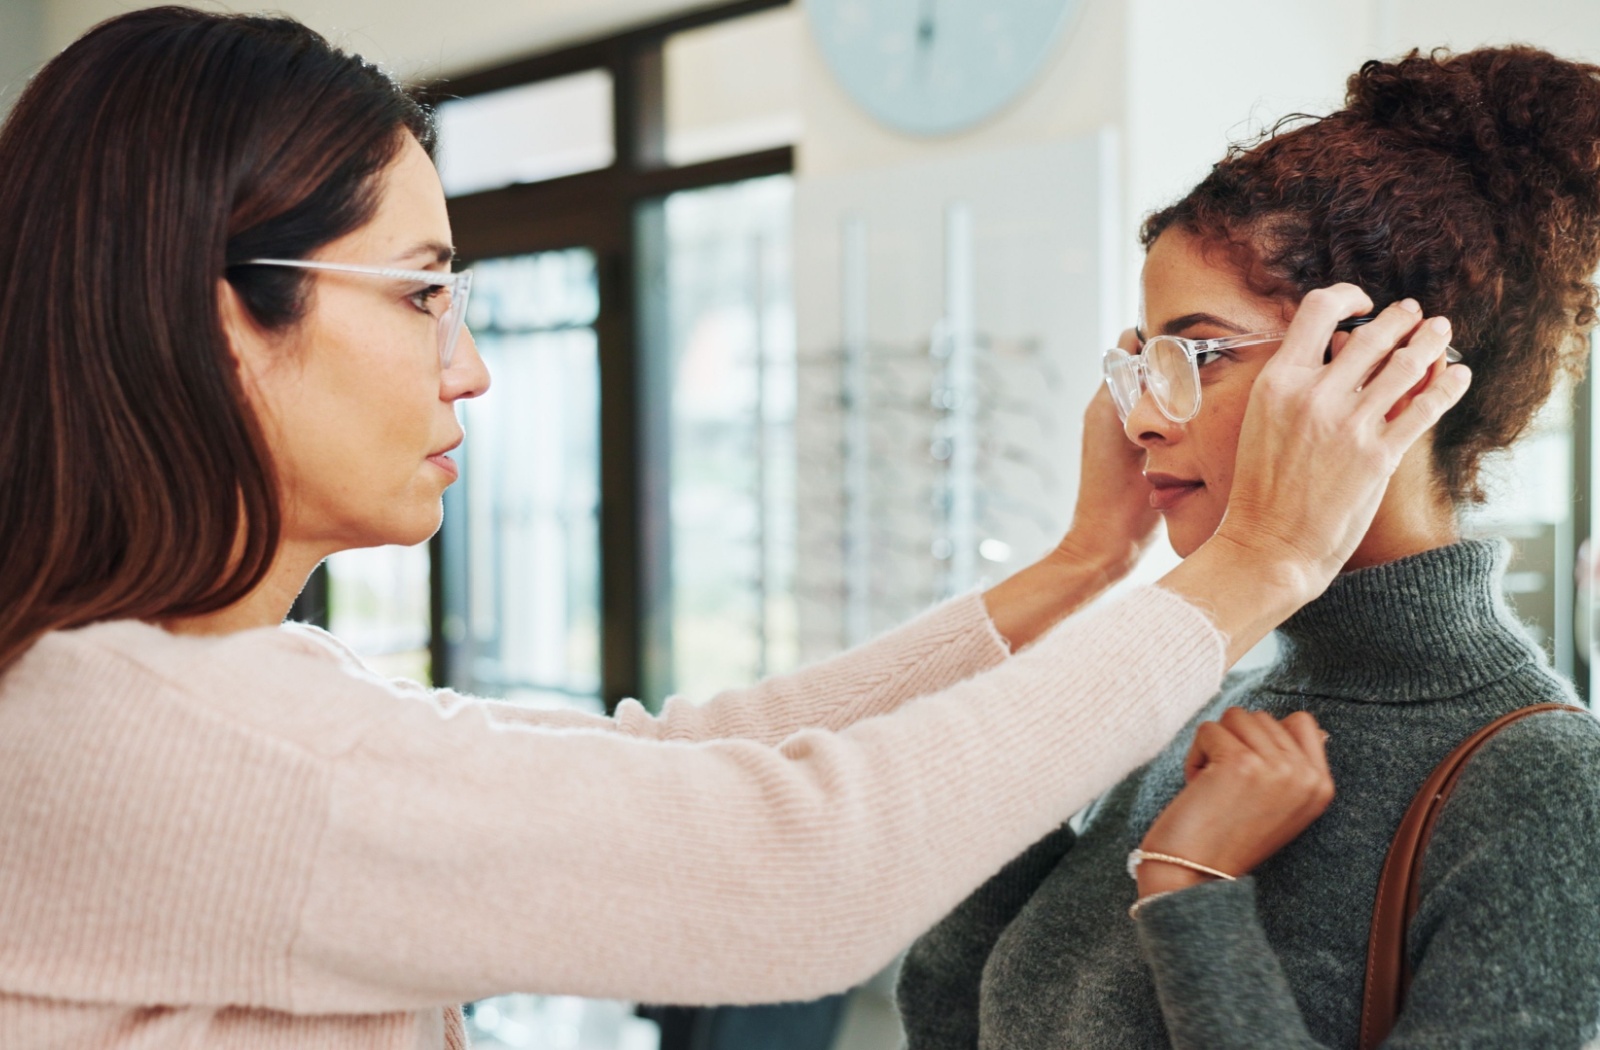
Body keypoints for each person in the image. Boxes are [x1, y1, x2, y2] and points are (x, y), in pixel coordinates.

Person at [0, 9, 1466, 1048]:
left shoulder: (169, 684)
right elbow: (807, 868)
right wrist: (1248, 571)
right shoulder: (181, 737)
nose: (469, 361)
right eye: (420, 290)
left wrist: (1089, 570)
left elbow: (669, 759)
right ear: (228, 324)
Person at [897, 44, 1600, 1050]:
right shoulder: (1198, 699)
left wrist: (1191, 899)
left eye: (1196, 356)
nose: (1141, 418)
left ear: (1381, 370)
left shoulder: (1546, 786)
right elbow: (949, 1022)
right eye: (1140, 366)